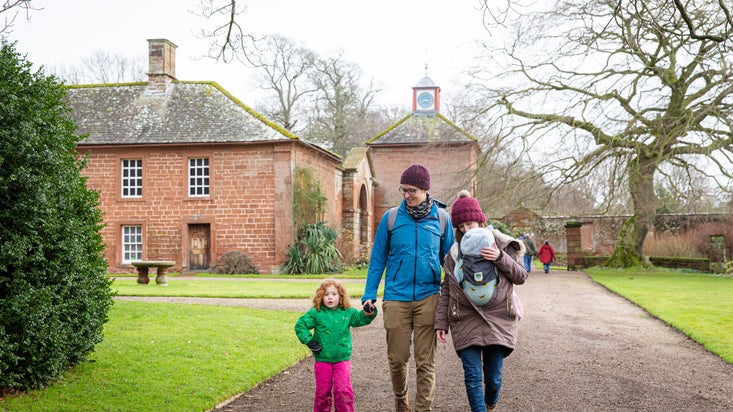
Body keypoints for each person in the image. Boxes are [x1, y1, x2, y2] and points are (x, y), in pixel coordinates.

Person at [362, 164, 454, 412]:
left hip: (428, 297)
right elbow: (378, 258)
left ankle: (423, 409)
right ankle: (400, 396)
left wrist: (455, 298)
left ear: (426, 189)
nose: (406, 195)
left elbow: (453, 263)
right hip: (396, 297)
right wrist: (369, 294)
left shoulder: (442, 220)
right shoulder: (391, 218)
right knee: (397, 358)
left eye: (411, 190)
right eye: (403, 190)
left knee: (426, 361)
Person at [435, 190, 527, 412]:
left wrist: (499, 258)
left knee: (493, 379)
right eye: (462, 226)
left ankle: (490, 403)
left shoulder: (502, 244)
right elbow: (447, 288)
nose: (467, 229)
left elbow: (521, 276)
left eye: (470, 223)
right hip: (465, 318)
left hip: (498, 318)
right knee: (473, 376)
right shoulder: (454, 253)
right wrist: (441, 323)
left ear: (480, 219)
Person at [295, 278, 377, 412]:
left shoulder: (348, 312)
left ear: (341, 296)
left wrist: (369, 313)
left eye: (334, 294)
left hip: (342, 360)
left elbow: (361, 319)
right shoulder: (316, 313)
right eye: (326, 294)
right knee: (323, 392)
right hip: (323, 359)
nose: (330, 297)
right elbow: (300, 325)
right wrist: (310, 341)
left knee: (342, 391)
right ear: (321, 296)